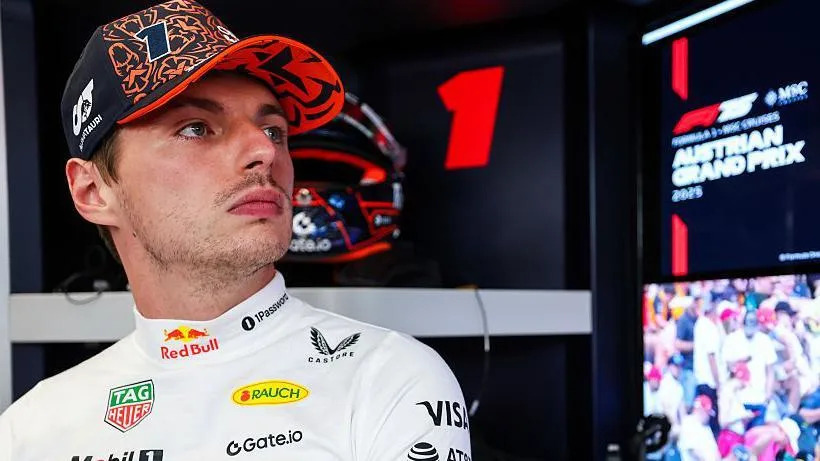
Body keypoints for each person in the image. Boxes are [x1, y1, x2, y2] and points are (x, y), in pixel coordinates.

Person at [0, 1, 472, 459]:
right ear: (92, 191)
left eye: (274, 131)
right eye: (196, 128)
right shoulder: (30, 430)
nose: (265, 151)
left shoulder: (388, 380)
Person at [723, 310, 779, 429]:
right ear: (743, 323)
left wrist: (768, 395)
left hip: (759, 399)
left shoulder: (765, 341)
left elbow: (770, 371)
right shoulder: (732, 339)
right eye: (748, 322)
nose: (750, 325)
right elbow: (728, 366)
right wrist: (742, 360)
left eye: (753, 322)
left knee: (756, 434)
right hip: (738, 400)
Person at [694, 297, 724, 436]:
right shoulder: (710, 328)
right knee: (713, 421)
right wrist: (718, 383)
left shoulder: (699, 323)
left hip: (701, 379)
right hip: (710, 381)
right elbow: (711, 357)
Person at [678, 395, 720, 461]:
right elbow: (693, 450)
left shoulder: (706, 426)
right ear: (700, 410)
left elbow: (715, 450)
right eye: (707, 412)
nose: (708, 416)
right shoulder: (688, 423)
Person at [676, 295, 699, 409]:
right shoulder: (684, 320)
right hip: (688, 368)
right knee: (688, 404)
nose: (698, 304)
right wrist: (697, 346)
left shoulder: (699, 318)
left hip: (699, 367)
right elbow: (678, 344)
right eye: (696, 301)